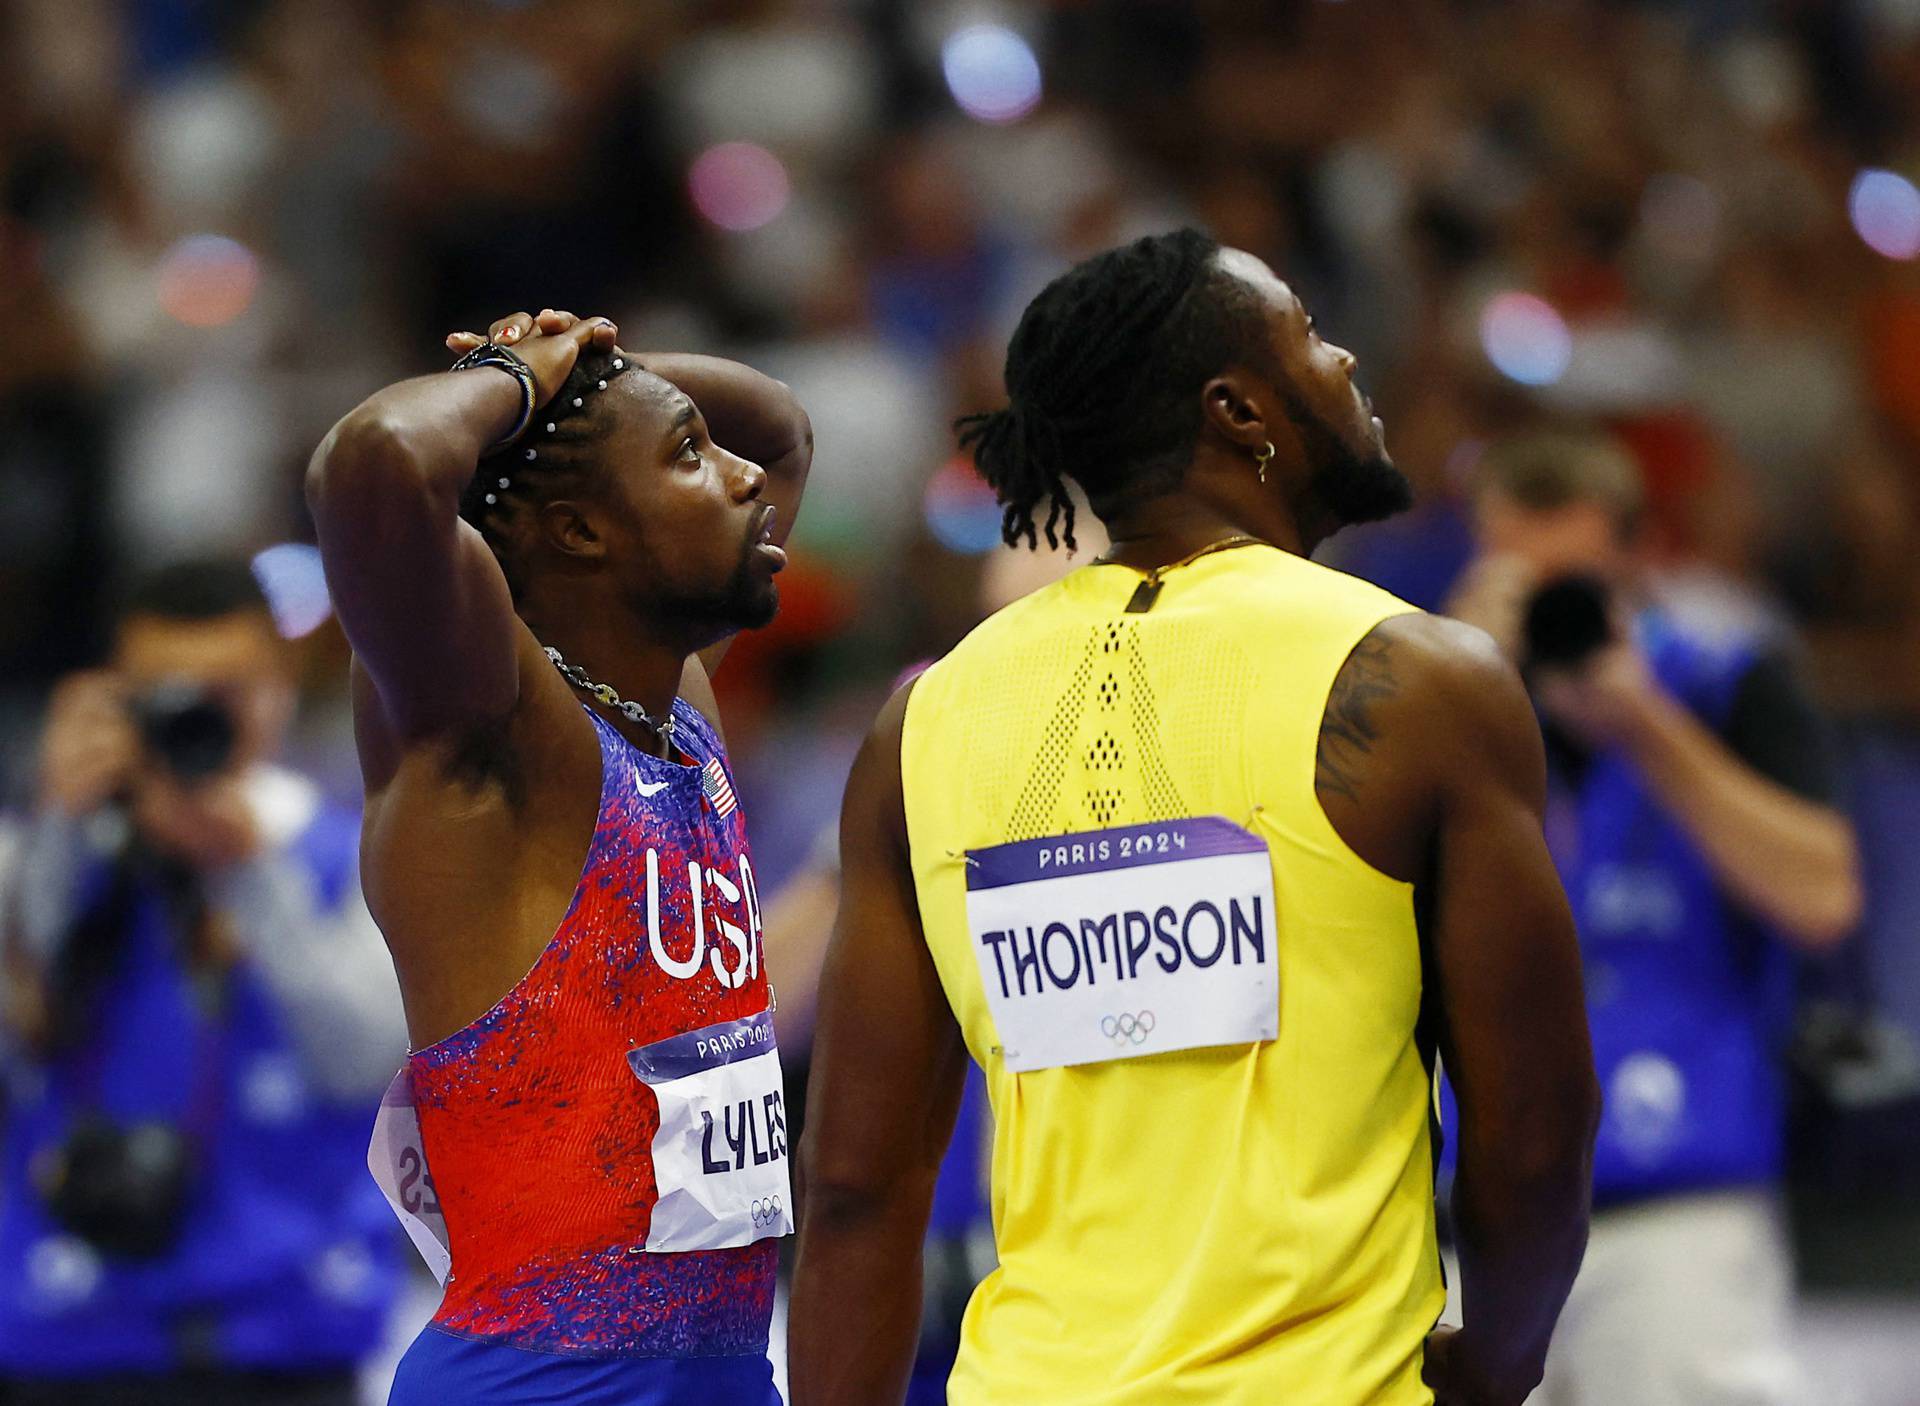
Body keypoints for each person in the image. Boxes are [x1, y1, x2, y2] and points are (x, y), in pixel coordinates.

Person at [790, 228, 1602, 1406]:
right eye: (1312, 338)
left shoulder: (920, 726)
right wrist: (1496, 1363)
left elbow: (857, 1181)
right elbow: (1534, 1134)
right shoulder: (1422, 683)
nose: (1347, 358)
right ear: (1240, 410)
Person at [305, 307, 812, 1405]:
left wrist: (582, 374)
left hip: (722, 1375)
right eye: (688, 454)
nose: (741, 478)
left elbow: (779, 429)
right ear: (581, 533)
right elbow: (378, 458)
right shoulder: (487, 734)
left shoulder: (677, 702)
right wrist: (516, 379)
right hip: (540, 1380)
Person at [1441, 430, 1862, 1406]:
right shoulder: (1445, 704)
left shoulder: (1726, 682)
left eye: (1573, 585)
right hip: (1479, 1218)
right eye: (1520, 579)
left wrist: (1646, 727)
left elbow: (1823, 898)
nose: (1551, 614)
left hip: (1682, 1203)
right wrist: (1463, 686)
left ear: (1634, 555)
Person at [0, 556, 406, 1406]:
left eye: (226, 690)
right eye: (166, 691)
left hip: (286, 1345)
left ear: (280, 685)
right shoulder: (49, 847)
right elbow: (22, 1021)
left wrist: (251, 872)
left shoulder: (347, 857)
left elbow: (365, 1060)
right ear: (114, 693)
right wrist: (59, 826)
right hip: (67, 1335)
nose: (194, 716)